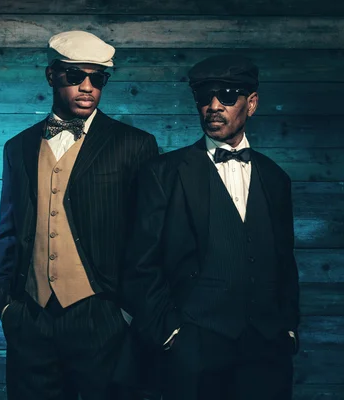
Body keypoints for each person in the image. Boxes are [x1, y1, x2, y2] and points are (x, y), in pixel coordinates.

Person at [0, 30, 158, 400]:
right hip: (30, 316)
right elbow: (8, 229)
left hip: (102, 315)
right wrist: (7, 304)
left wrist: (127, 312)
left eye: (97, 78)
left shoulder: (134, 145)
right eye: (75, 76)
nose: (87, 87)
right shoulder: (17, 147)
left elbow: (150, 237)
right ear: (52, 76)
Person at [122, 55, 300, 400]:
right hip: (194, 348)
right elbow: (139, 265)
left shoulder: (277, 178)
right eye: (205, 97)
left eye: (228, 96)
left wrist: (288, 328)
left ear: (252, 103)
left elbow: (284, 261)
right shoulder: (164, 173)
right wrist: (170, 332)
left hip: (266, 350)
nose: (214, 106)